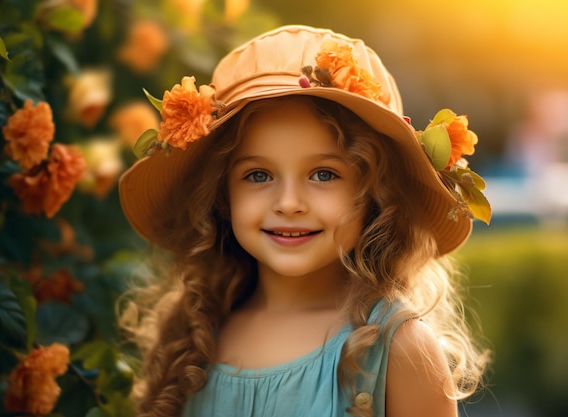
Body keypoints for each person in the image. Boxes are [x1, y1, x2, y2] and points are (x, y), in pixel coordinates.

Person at [118, 25, 490, 417]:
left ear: (375, 194)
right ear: (222, 196)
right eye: (258, 175)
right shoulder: (194, 336)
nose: (289, 203)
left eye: (324, 174)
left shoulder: (398, 350)